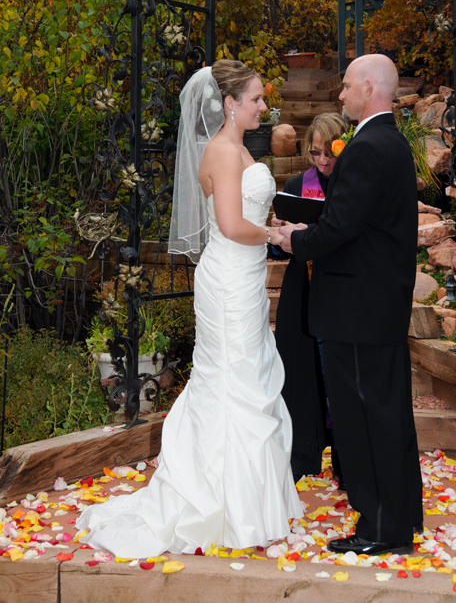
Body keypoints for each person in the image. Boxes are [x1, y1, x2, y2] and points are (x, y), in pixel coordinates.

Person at [76, 61, 302, 558]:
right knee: (230, 380)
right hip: (227, 279)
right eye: (257, 98)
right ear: (230, 104)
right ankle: (218, 505)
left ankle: (245, 503)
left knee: (244, 377)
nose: (264, 106)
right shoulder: (222, 152)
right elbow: (228, 224)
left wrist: (273, 223)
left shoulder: (240, 148)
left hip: (242, 276)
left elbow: (245, 211)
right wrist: (274, 235)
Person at [277, 54, 423, 557]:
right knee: (387, 412)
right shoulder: (394, 144)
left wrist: (298, 239)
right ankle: (400, 516)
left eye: (344, 87)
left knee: (365, 418)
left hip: (357, 311)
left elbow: (340, 228)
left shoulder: (366, 148)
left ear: (367, 87)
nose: (339, 96)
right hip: (376, 306)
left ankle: (380, 526)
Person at [274, 113, 346, 482]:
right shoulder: (295, 184)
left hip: (340, 290)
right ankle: (304, 453)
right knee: (300, 372)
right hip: (302, 287)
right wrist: (282, 235)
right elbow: (280, 252)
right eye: (315, 152)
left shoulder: (351, 184)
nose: (321, 161)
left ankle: (345, 459)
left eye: (328, 152)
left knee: (337, 374)